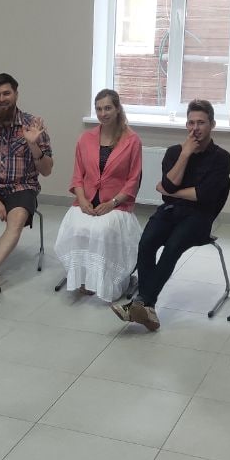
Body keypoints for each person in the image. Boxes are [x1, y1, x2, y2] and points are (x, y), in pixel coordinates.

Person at [111, 100, 230, 332]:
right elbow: (167, 186)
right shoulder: (175, 152)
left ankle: (141, 303)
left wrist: (172, 192)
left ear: (212, 124)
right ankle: (147, 310)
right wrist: (185, 155)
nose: (195, 128)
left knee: (173, 247)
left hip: (200, 217)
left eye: (201, 123)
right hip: (171, 211)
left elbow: (203, 195)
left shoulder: (221, 157)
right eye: (191, 123)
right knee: (146, 243)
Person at [0, 72, 53, 303]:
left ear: (16, 94)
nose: (2, 99)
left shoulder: (32, 125)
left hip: (22, 186)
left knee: (16, 219)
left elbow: (46, 170)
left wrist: (33, 145)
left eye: (7, 93)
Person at [54, 89, 143, 301]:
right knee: (77, 228)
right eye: (99, 109)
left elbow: (133, 180)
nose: (103, 113)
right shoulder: (85, 139)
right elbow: (77, 176)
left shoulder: (132, 140)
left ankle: (107, 280)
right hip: (86, 201)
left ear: (118, 109)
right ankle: (82, 277)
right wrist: (82, 200)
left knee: (102, 230)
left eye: (108, 108)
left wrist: (112, 203)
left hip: (117, 204)